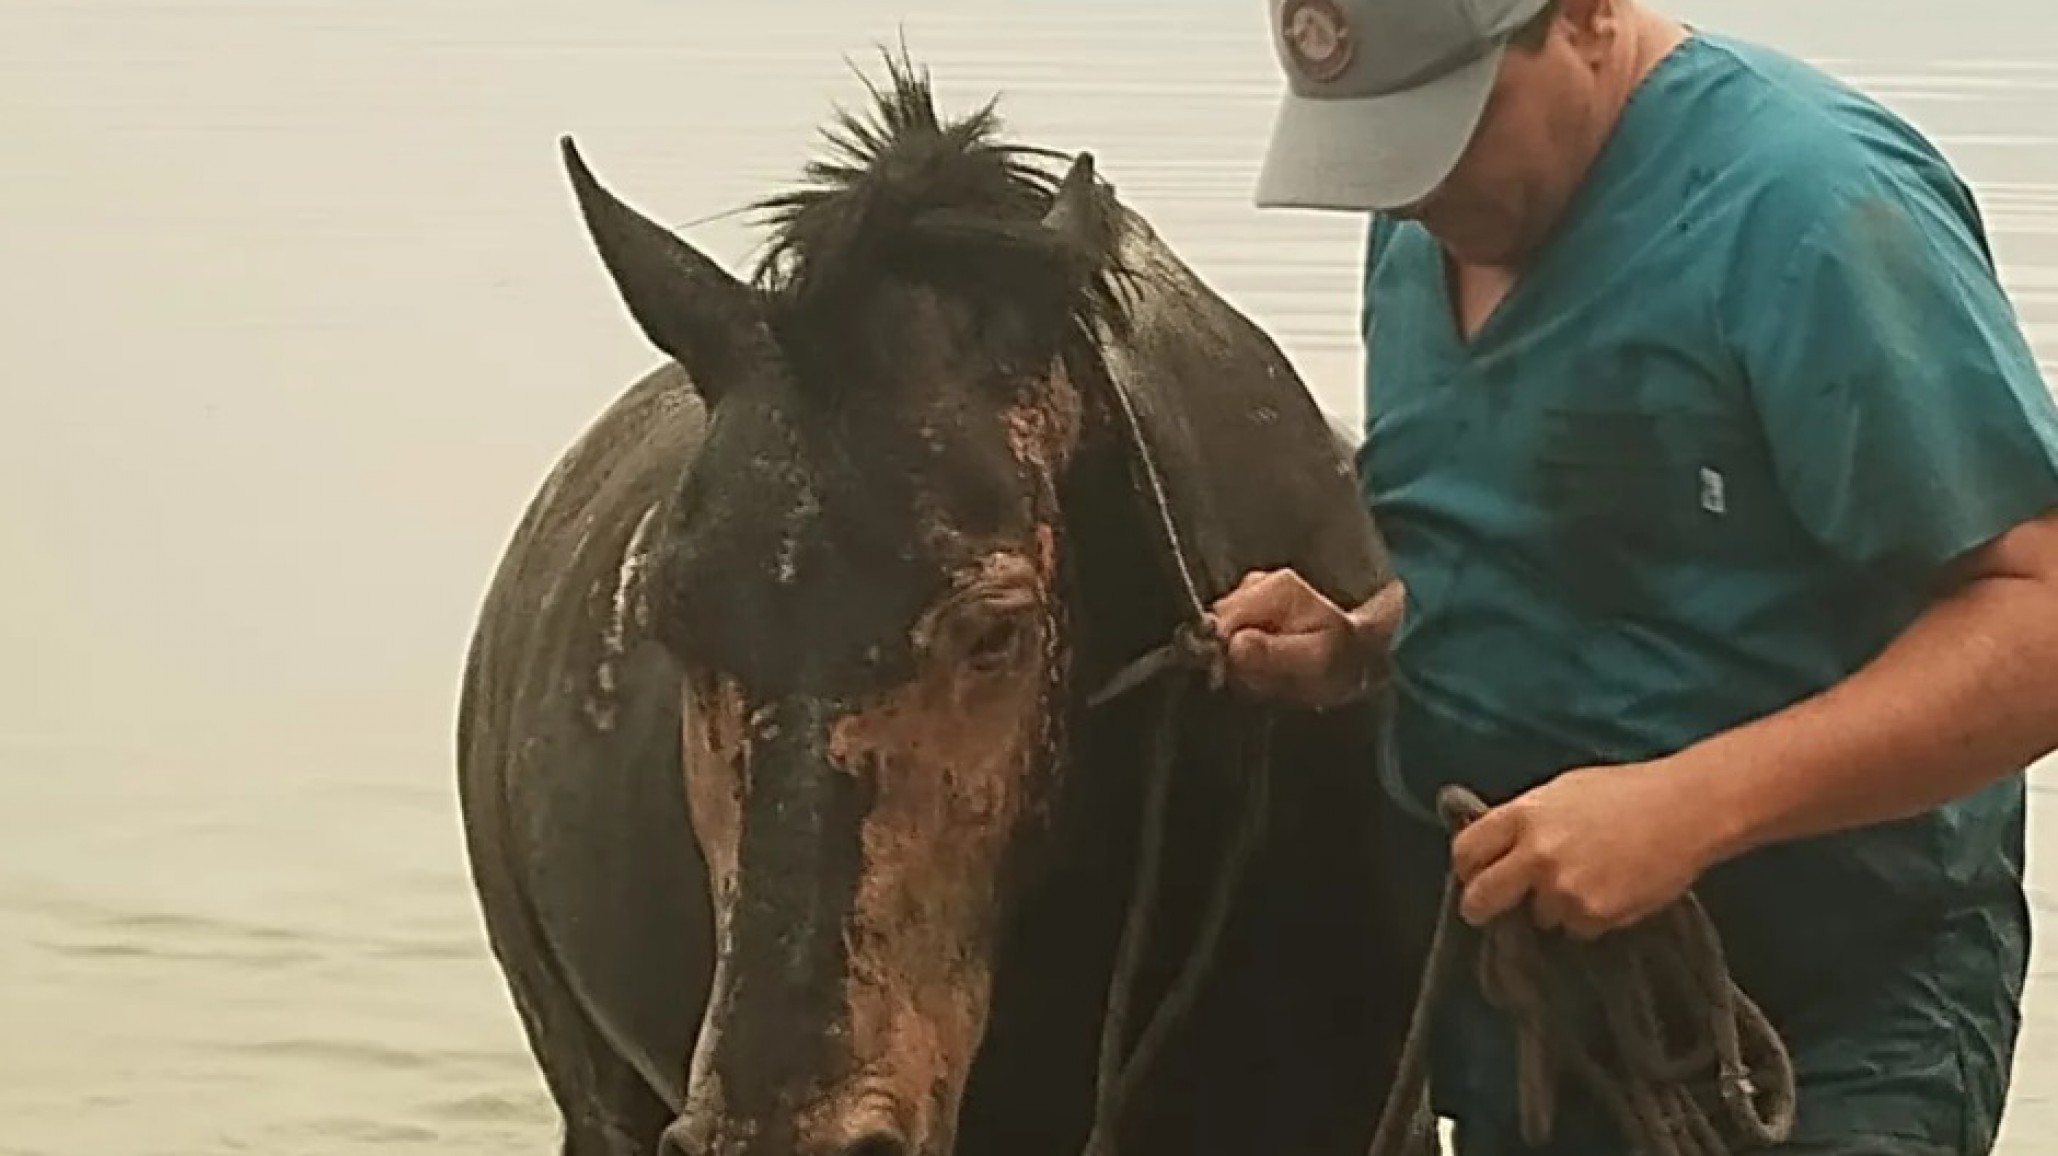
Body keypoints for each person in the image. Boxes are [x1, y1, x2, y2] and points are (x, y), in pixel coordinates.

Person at [1212, 0, 2058, 1153]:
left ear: (1587, 17)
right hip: (1534, 1028)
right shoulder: (1424, 221)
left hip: (1822, 1031)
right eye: (1377, 145)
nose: (1413, 189)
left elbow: (2038, 615)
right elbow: (1593, 548)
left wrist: (1687, 807)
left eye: (1446, 128)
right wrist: (1365, 641)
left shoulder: (1808, 211)